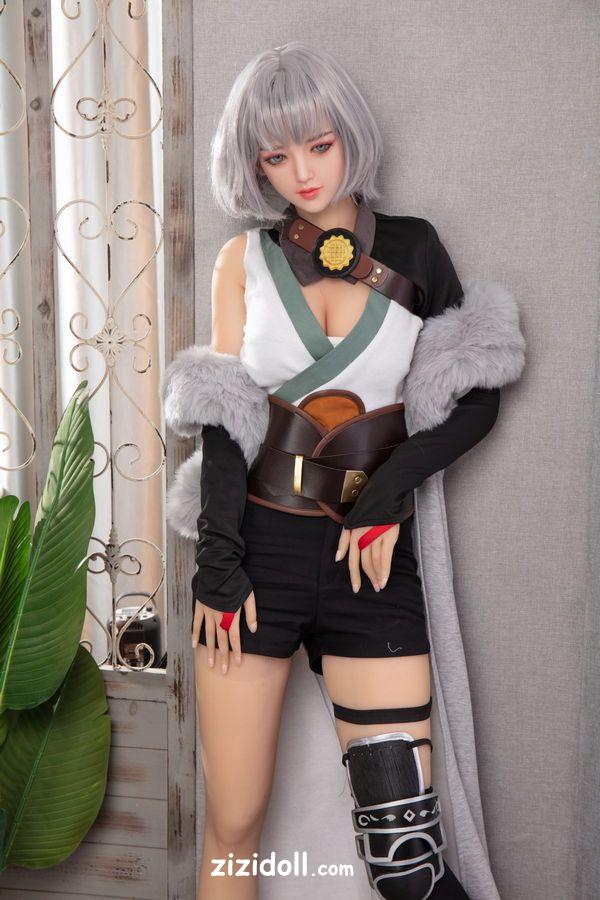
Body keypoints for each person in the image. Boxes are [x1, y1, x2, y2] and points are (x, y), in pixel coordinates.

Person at [160, 41, 525, 900]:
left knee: (405, 850)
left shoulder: (415, 248)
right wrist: (218, 564)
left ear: (348, 136)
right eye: (275, 156)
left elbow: (476, 399)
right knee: (234, 826)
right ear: (254, 163)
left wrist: (385, 498)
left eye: (318, 145)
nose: (302, 173)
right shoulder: (240, 262)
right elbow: (225, 424)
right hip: (255, 558)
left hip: (371, 563)